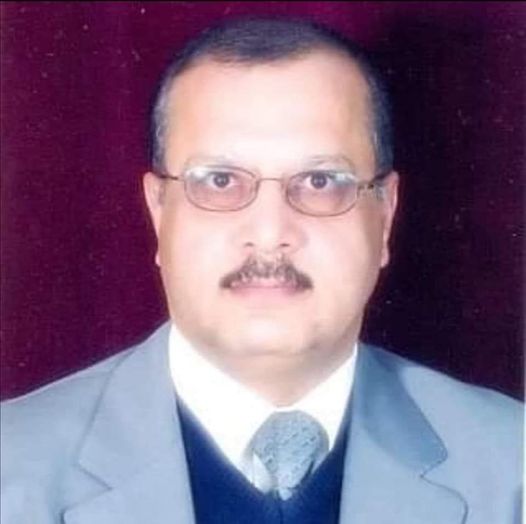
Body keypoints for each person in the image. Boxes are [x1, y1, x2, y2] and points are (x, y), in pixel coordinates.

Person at [1, 17, 522, 524]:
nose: (271, 233)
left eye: (320, 182)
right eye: (220, 181)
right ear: (159, 212)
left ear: (384, 215)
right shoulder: (14, 470)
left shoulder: (511, 470)